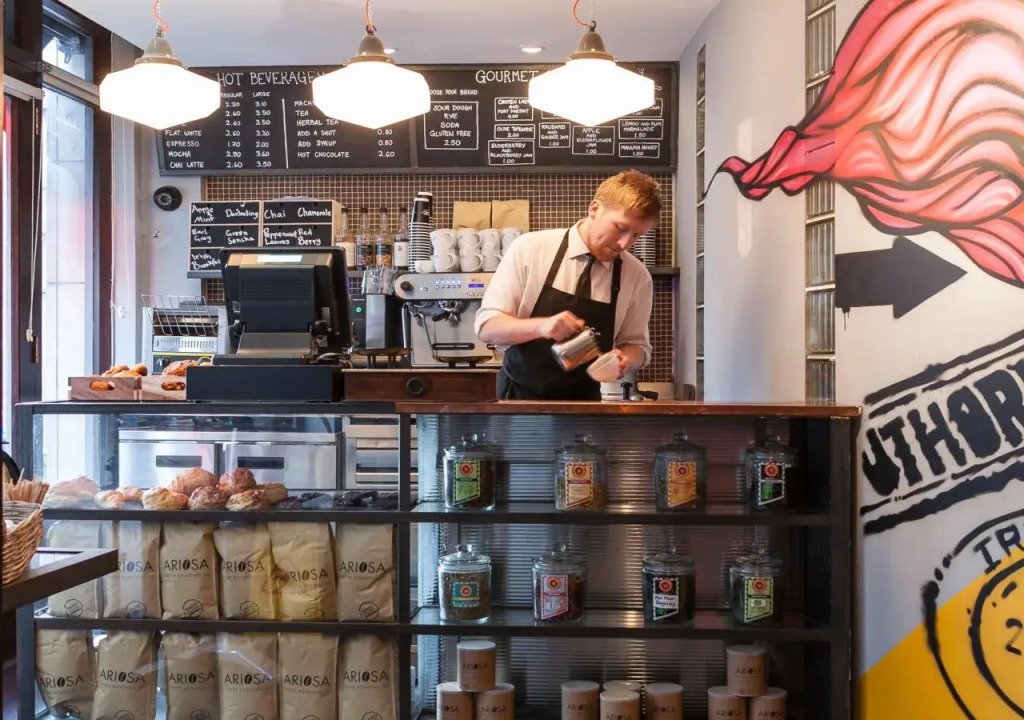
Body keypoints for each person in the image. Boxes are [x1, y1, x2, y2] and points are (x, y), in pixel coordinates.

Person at [475, 170, 660, 400]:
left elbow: (638, 346)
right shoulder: (530, 249)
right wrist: (541, 327)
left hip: (584, 406)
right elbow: (488, 328)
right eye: (620, 228)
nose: (625, 243)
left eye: (636, 236)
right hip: (518, 401)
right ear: (594, 209)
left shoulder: (636, 276)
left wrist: (625, 360)